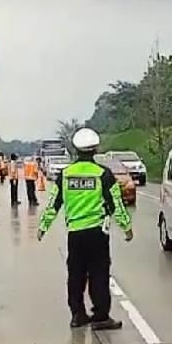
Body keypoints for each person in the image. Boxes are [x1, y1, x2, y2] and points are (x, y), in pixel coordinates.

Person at [37, 128, 133, 330]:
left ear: (75, 149)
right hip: (97, 233)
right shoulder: (103, 174)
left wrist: (43, 227)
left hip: (75, 234)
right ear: (95, 149)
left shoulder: (65, 174)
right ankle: (100, 316)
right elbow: (116, 204)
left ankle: (78, 315)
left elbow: (54, 203)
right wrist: (126, 227)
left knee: (76, 274)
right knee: (99, 273)